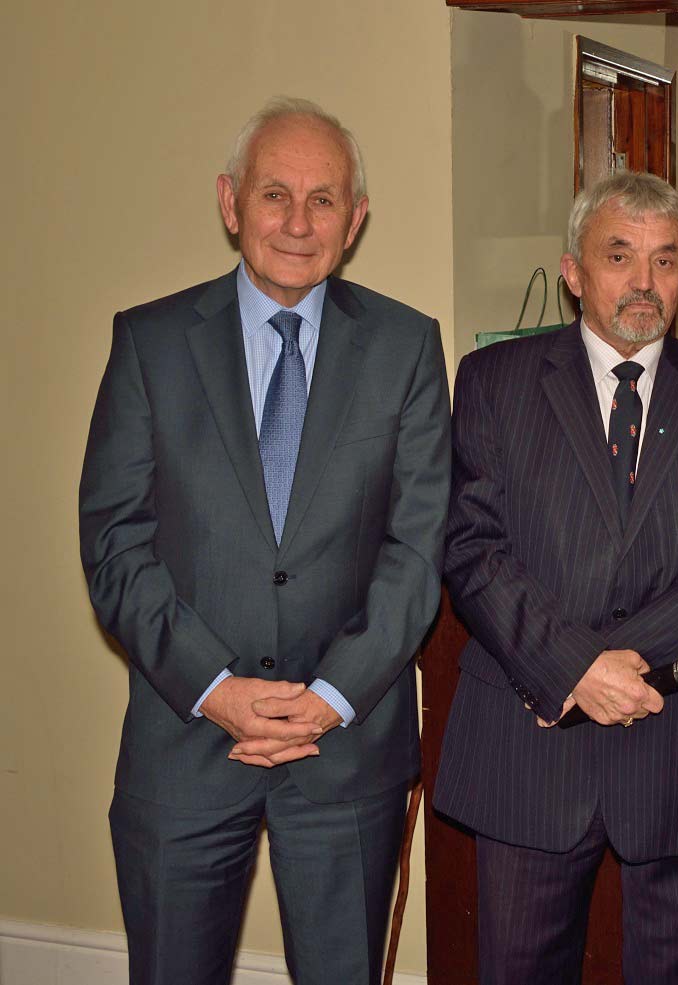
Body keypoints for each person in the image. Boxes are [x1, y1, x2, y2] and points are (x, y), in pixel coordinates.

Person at [78, 97, 451, 985]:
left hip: (345, 749)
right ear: (229, 201)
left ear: (355, 220)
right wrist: (215, 687)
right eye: (274, 193)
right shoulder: (152, 343)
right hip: (185, 741)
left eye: (324, 200)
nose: (296, 221)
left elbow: (417, 549)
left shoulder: (406, 347)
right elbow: (115, 544)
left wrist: (327, 696)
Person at [434, 170, 678, 985]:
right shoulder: (495, 383)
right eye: (619, 256)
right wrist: (571, 669)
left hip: (674, 737)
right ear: (573, 270)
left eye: (665, 260)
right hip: (528, 746)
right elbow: (471, 549)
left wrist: (613, 665)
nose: (644, 282)